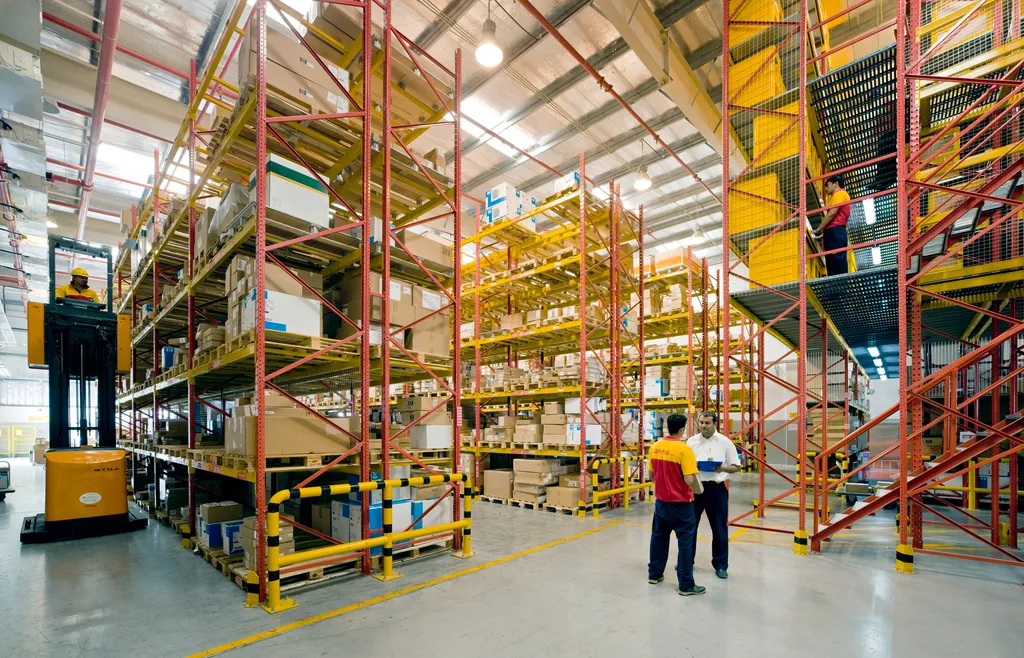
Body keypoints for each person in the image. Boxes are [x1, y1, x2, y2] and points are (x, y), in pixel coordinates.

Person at [648, 413, 706, 596]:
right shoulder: (684, 449)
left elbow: (651, 476)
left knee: (658, 538)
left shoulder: (655, 446)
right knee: (685, 543)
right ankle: (686, 585)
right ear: (682, 429)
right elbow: (689, 479)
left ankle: (654, 574)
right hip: (681, 504)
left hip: (661, 503)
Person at [687, 411, 742, 580]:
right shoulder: (691, 442)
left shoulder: (725, 442)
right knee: (689, 528)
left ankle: (721, 565)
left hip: (716, 490)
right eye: (702, 422)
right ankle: (687, 561)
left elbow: (736, 466)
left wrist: (722, 469)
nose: (703, 426)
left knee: (719, 529)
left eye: (707, 423)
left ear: (715, 423)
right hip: (696, 488)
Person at [815, 175, 851, 276]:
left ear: (836, 184)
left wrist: (819, 228)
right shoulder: (833, 197)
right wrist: (824, 231)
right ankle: (834, 285)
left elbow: (832, 213)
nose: (825, 188)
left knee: (837, 259)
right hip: (832, 231)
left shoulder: (840, 194)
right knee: (831, 260)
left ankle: (841, 285)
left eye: (827, 185)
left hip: (836, 230)